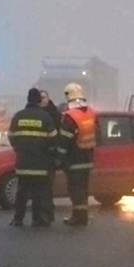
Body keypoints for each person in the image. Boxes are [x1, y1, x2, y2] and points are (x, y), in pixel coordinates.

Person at [8, 88, 58, 227]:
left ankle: (18, 219)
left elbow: (11, 136)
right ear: (38, 100)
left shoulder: (18, 116)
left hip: (23, 163)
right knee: (39, 193)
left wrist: (19, 148)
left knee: (22, 193)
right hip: (40, 164)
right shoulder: (45, 117)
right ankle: (38, 219)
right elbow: (53, 138)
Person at [56, 82, 98, 226]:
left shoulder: (70, 116)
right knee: (84, 189)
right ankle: (83, 216)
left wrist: (59, 158)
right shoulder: (91, 113)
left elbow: (64, 140)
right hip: (88, 158)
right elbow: (98, 133)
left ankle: (77, 218)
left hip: (74, 160)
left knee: (75, 190)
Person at [40, 90, 62, 222]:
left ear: (49, 98)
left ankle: (48, 214)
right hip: (38, 155)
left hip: (49, 155)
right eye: (40, 98)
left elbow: (57, 135)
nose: (42, 100)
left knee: (47, 186)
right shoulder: (35, 114)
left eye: (44, 97)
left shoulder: (54, 114)